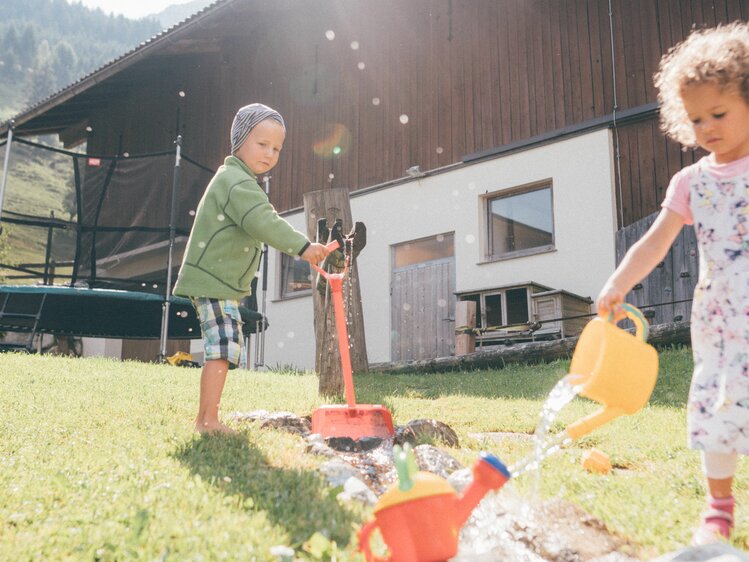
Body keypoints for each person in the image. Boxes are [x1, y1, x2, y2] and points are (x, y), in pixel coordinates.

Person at [596, 21, 749, 545]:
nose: (707, 127)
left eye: (720, 113)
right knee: (716, 411)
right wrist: (618, 283)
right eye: (696, 118)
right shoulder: (692, 183)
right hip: (722, 324)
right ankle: (719, 508)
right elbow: (654, 243)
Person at [173, 103, 330, 434]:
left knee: (225, 346)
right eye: (262, 144)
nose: (270, 154)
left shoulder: (237, 181)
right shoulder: (236, 183)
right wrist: (304, 247)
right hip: (213, 281)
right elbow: (263, 222)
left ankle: (206, 418)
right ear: (240, 140)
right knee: (223, 346)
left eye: (277, 148)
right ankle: (207, 421)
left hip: (218, 281)